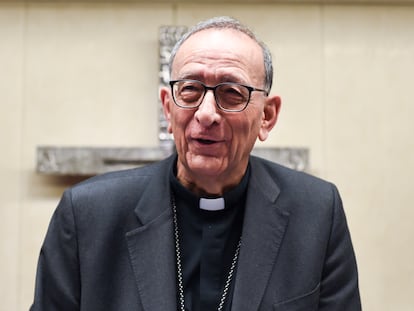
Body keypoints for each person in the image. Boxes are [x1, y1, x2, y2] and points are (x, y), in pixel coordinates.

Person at [30, 16, 361, 311]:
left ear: (267, 116)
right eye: (190, 90)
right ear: (168, 108)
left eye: (232, 92)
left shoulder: (317, 213)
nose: (206, 114)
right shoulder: (88, 214)